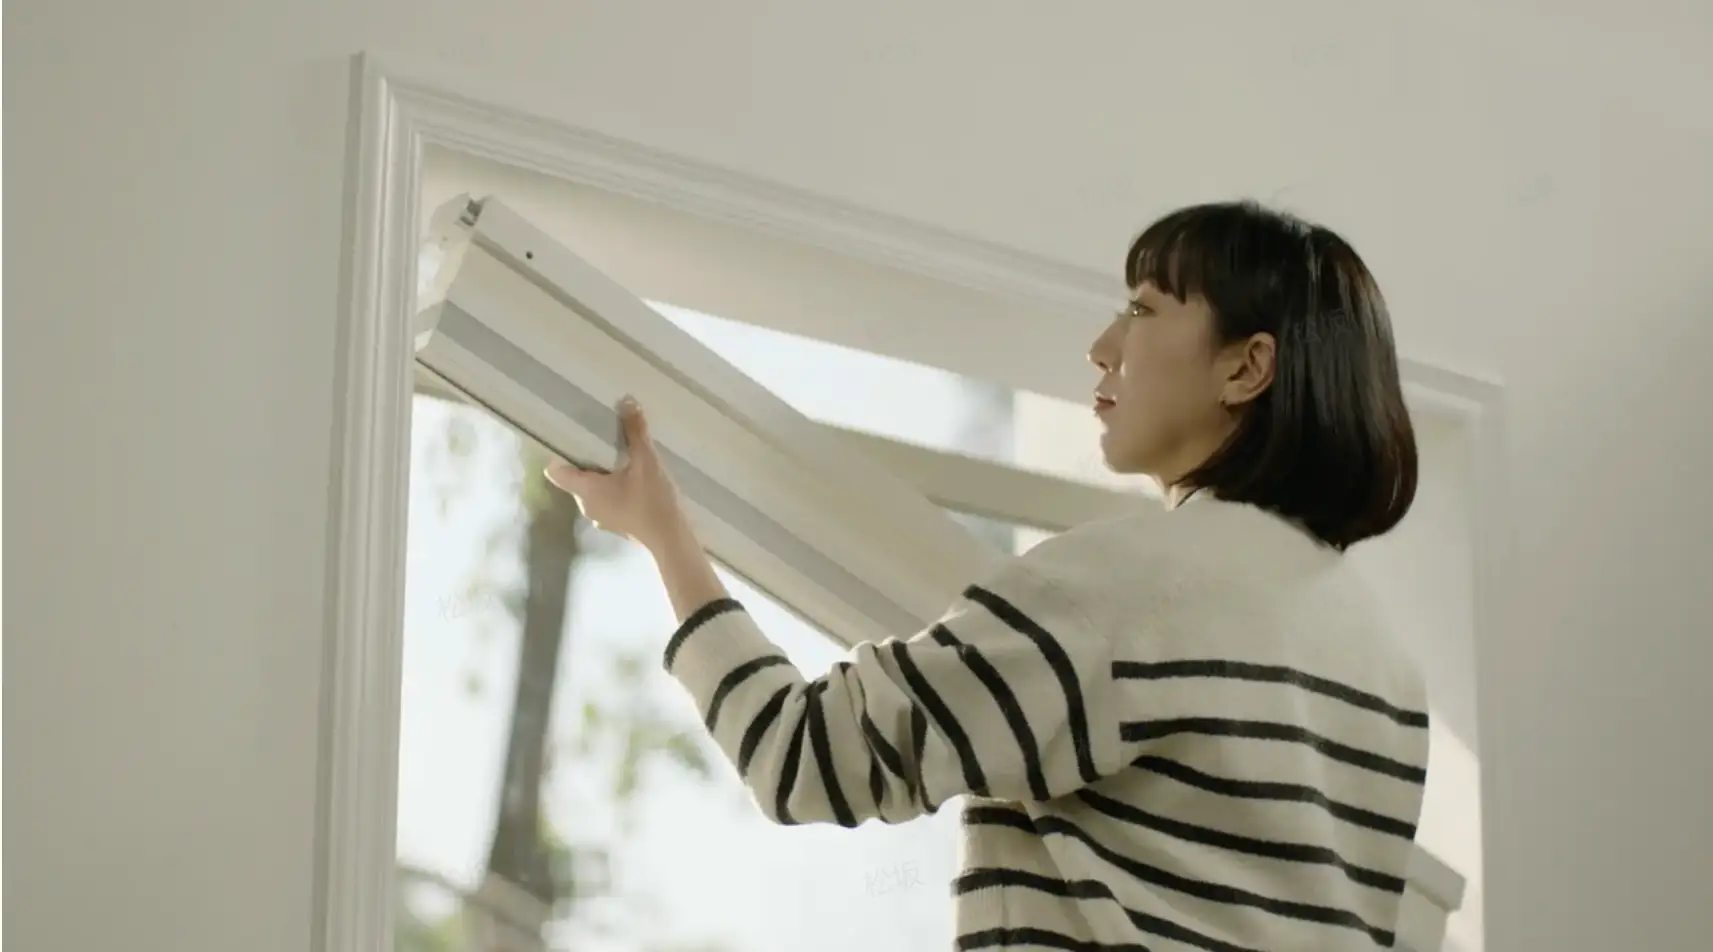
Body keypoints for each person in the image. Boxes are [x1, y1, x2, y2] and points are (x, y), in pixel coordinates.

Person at [546, 201, 1427, 952]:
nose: (1102, 346)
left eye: (1143, 309)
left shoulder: (1128, 587)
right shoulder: (1386, 669)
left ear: (1245, 366)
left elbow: (800, 756)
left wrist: (663, 533)